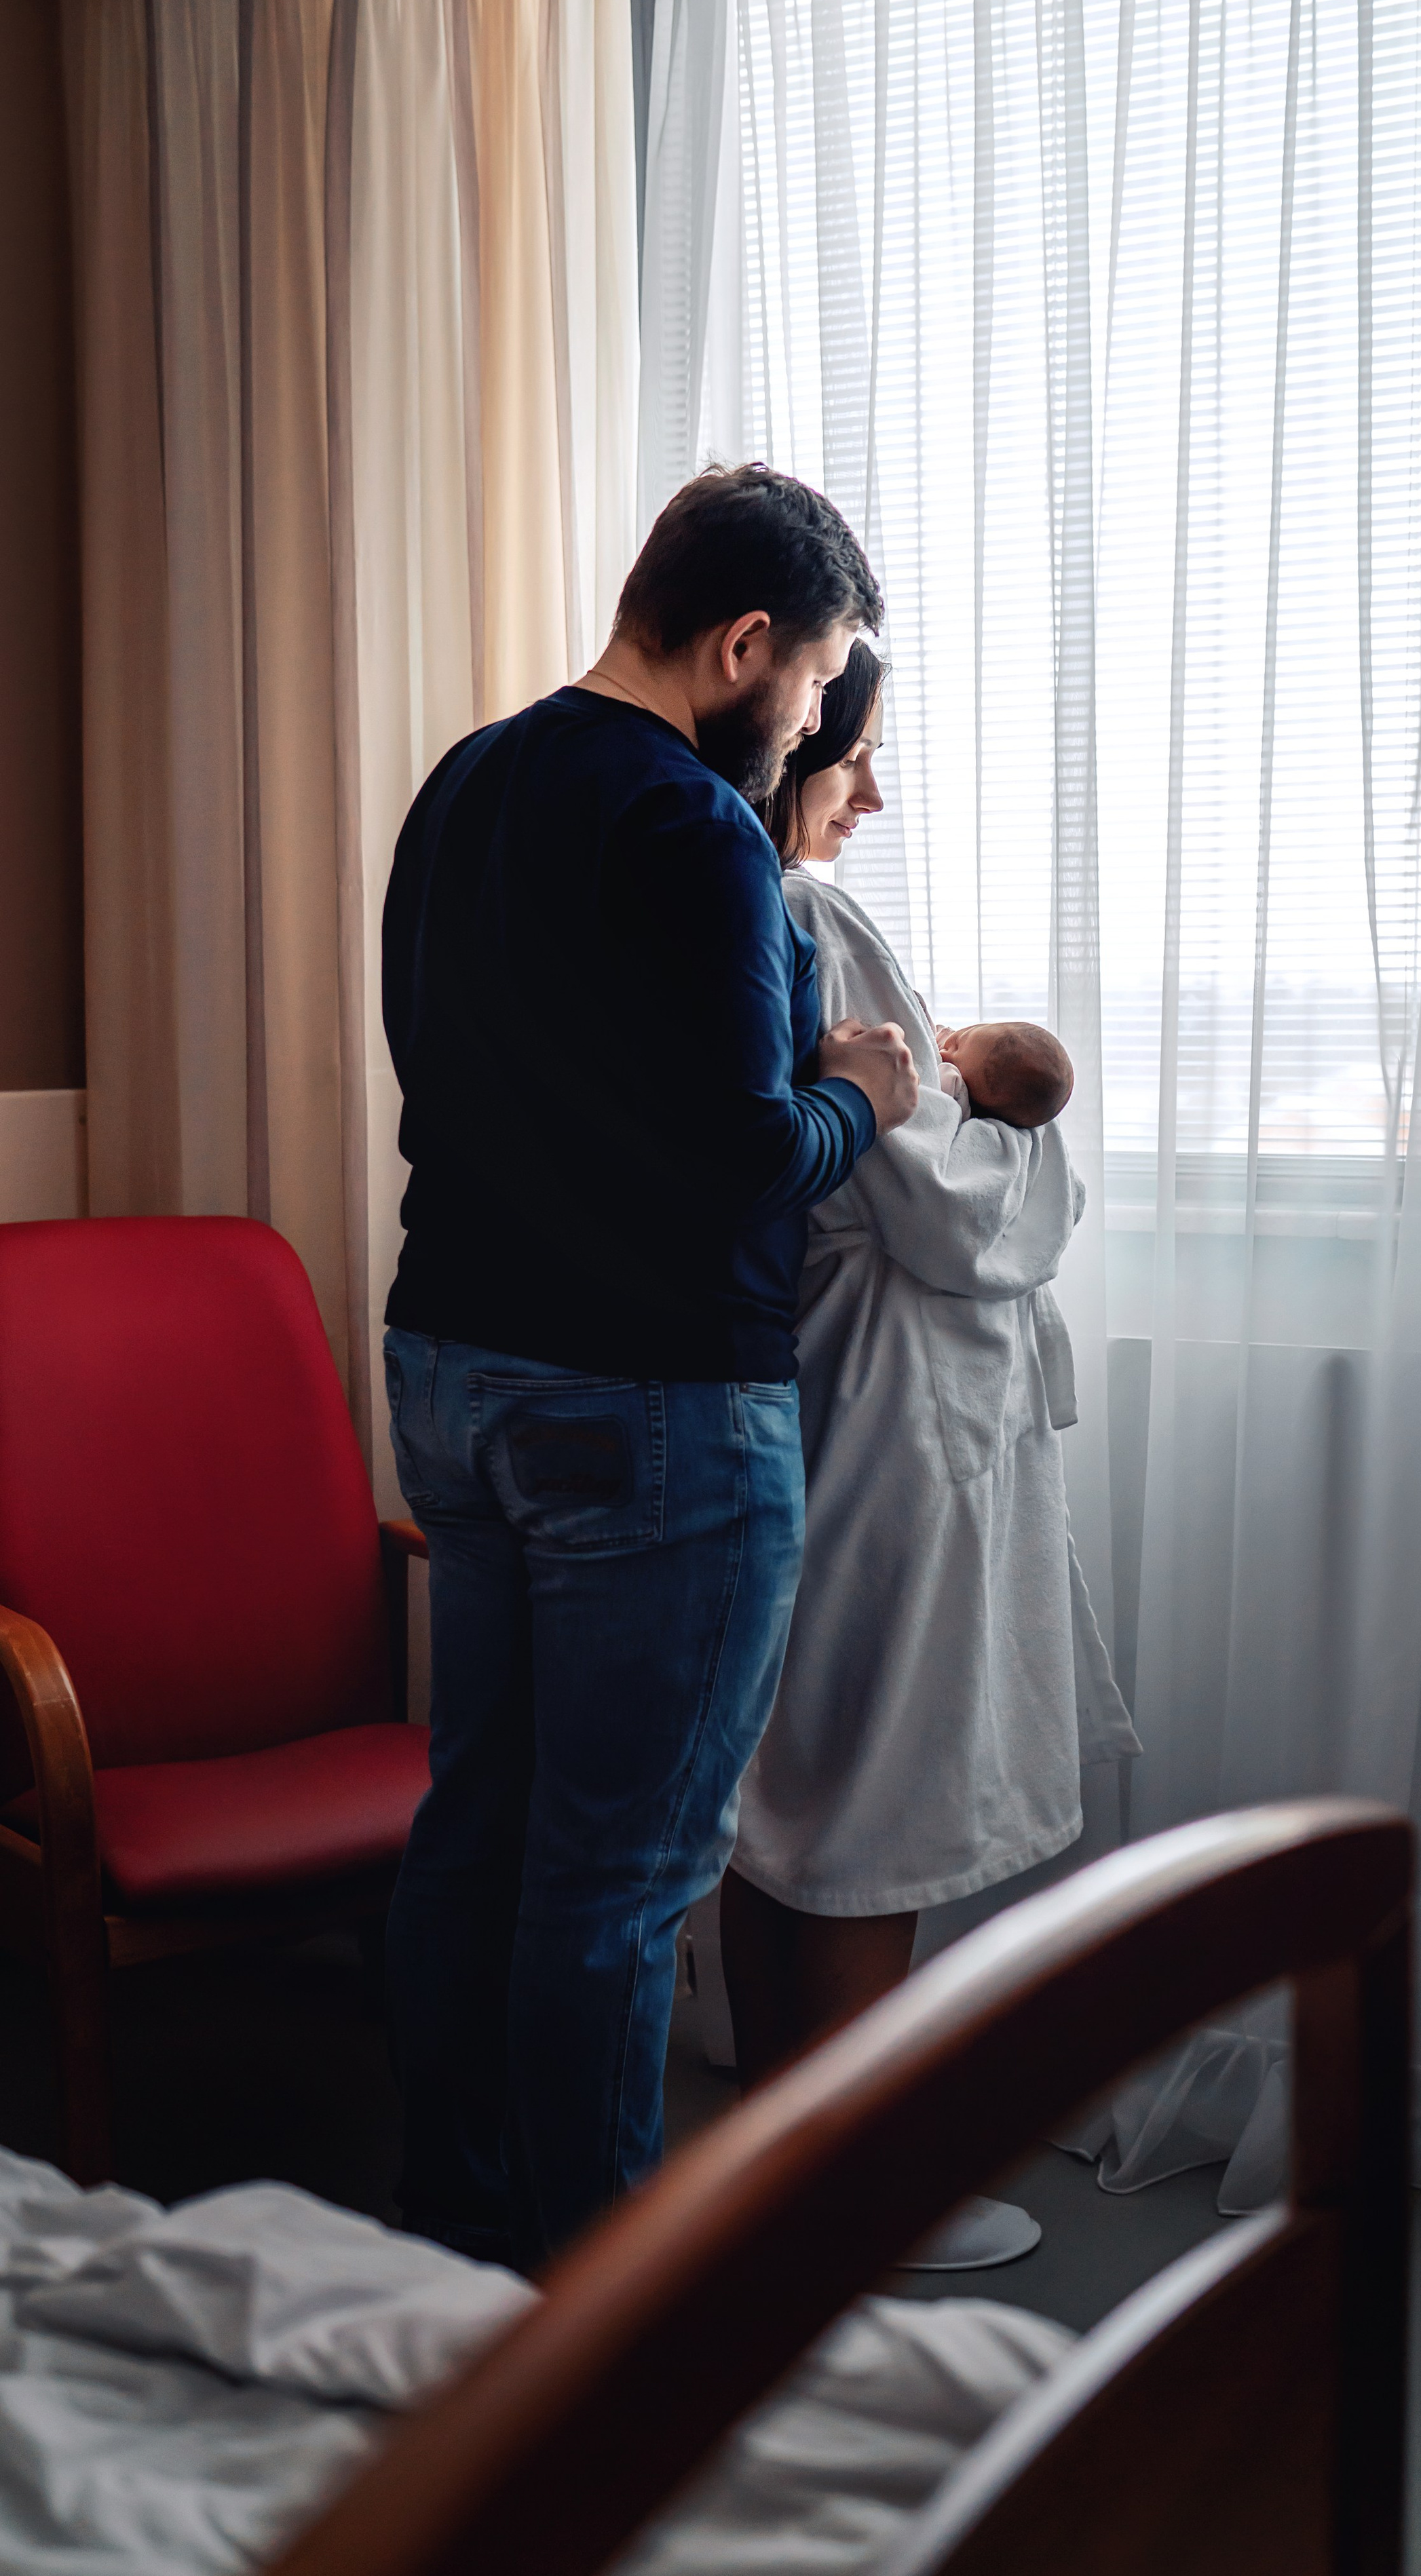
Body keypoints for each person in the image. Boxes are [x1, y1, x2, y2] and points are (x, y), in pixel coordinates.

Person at [379, 466, 920, 2270]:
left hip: (450, 1366)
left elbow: (436, 1067)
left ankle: (450, 2233)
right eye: (819, 672)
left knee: (481, 1826)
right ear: (745, 642)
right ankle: (596, 2314)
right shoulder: (697, 829)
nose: (818, 718)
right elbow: (742, 1160)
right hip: (646, 1404)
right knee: (611, 1881)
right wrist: (868, 1092)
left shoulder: (464, 782)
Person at [721, 645, 1139, 2266]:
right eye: (857, 753)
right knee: (870, 1788)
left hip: (844, 1387)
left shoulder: (759, 911)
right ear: (791, 736)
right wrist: (1028, 1139)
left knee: (807, 1774)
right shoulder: (814, 919)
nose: (872, 791)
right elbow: (950, 1207)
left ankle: (788, 2152)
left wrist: (972, 1089)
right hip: (894, 1406)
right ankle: (850, 2195)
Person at [936, 1020, 1074, 1128]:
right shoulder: (947, 1036)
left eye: (955, 1066)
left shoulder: (951, 1085)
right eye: (958, 1043)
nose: (943, 1053)